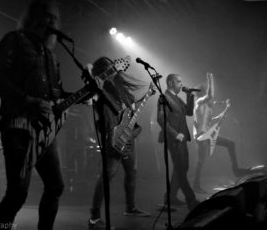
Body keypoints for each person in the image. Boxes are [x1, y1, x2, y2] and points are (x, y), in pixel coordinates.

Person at [0, 0, 69, 230]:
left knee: (55, 186)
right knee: (17, 194)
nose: (52, 21)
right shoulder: (14, 40)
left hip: (45, 130)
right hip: (18, 125)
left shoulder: (51, 55)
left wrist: (84, 95)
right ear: (33, 17)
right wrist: (26, 99)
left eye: (55, 18)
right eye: (47, 16)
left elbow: (56, 93)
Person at [88, 57, 150, 230]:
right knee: (108, 174)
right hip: (113, 137)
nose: (114, 72)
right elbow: (104, 117)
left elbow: (128, 112)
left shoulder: (119, 89)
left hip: (127, 136)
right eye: (109, 69)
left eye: (114, 69)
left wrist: (132, 129)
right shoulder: (100, 92)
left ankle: (130, 208)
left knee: (132, 172)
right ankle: (94, 217)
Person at [193, 73, 248, 193]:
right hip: (201, 136)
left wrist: (226, 109)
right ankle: (196, 186)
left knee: (230, 144)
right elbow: (210, 95)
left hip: (207, 135)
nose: (212, 97)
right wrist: (210, 79)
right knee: (200, 161)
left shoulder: (206, 106)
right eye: (207, 89)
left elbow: (210, 120)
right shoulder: (199, 103)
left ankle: (236, 169)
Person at [157, 74, 199, 211]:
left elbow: (189, 112)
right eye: (178, 81)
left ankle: (171, 198)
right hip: (173, 139)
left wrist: (190, 95)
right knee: (181, 169)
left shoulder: (177, 98)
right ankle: (191, 200)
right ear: (170, 83)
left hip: (182, 139)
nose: (181, 84)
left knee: (183, 167)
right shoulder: (164, 98)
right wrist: (175, 134)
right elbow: (161, 119)